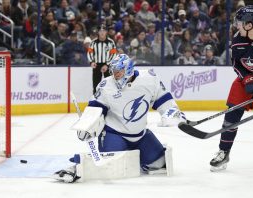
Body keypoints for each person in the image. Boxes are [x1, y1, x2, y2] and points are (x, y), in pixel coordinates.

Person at [53, 54, 186, 182]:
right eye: (113, 71)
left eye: (118, 71)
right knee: (109, 167)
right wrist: (87, 126)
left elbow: (163, 99)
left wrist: (172, 113)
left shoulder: (150, 78)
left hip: (140, 135)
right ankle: (76, 167)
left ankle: (138, 156)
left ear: (128, 69)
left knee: (158, 164)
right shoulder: (106, 85)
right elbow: (95, 109)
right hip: (114, 134)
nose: (115, 75)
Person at [210, 5, 253, 172]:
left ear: (250, 24)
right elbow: (237, 64)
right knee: (232, 114)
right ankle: (224, 152)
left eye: (240, 22)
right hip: (247, 77)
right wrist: (248, 78)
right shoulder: (238, 40)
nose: (237, 25)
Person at [87, 24, 117, 93]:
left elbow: (113, 54)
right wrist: (92, 62)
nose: (102, 32)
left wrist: (107, 64)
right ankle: (96, 101)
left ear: (106, 32)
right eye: (100, 31)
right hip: (96, 65)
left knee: (109, 85)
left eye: (104, 30)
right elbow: (89, 52)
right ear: (98, 32)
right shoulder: (93, 42)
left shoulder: (111, 42)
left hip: (108, 66)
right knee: (96, 86)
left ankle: (109, 101)